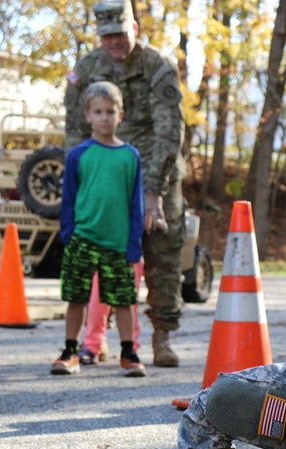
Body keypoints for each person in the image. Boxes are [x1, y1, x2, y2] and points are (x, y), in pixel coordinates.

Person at [64, 0, 185, 367]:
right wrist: (85, 183)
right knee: (103, 253)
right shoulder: (87, 69)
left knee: (163, 252)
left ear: (133, 28)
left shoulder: (157, 65)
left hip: (154, 167)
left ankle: (161, 335)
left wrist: (153, 190)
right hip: (106, 172)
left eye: (119, 33)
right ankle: (92, 339)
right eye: (106, 35)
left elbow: (170, 131)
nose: (114, 42)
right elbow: (72, 130)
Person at [52, 81, 146, 377]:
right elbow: (68, 199)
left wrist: (134, 243)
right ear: (87, 115)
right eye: (98, 112)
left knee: (123, 300)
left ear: (121, 114)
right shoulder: (79, 154)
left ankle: (129, 353)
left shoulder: (130, 156)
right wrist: (68, 233)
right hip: (82, 239)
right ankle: (70, 351)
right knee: (77, 298)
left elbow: (136, 203)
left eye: (110, 111)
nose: (105, 117)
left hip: (118, 244)